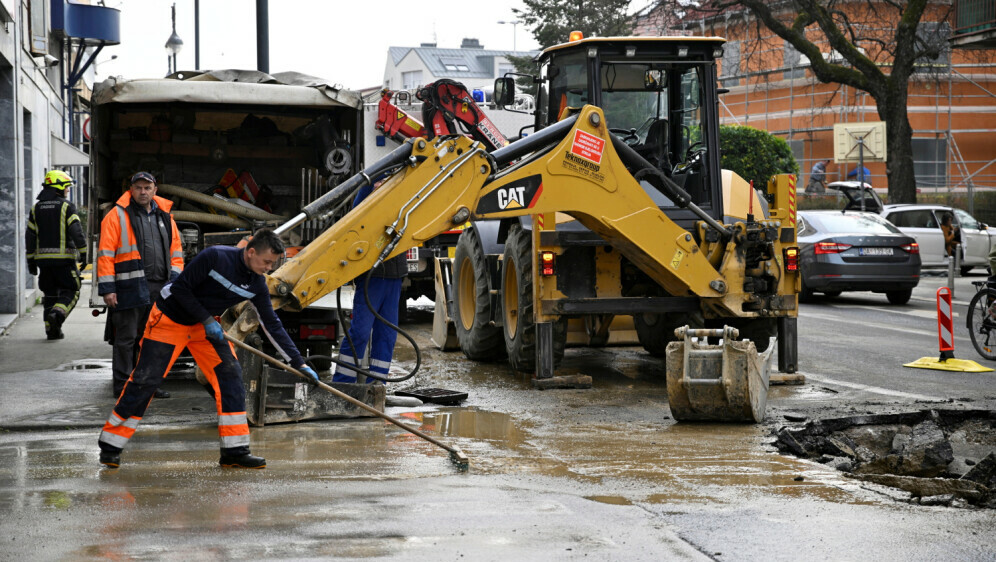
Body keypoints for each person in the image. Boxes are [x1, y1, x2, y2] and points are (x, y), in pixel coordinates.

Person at [97, 229, 320, 469]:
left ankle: (235, 451)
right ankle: (111, 446)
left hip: (204, 326)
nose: (269, 268)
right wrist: (206, 320)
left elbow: (272, 325)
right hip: (170, 319)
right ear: (251, 251)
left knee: (231, 377)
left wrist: (299, 363)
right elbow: (180, 289)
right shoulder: (215, 257)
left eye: (273, 264)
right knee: (146, 380)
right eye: (266, 261)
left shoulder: (257, 284)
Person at [98, 172, 184, 399]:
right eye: (139, 187)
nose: (143, 192)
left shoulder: (165, 216)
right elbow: (105, 254)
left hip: (159, 287)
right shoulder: (117, 215)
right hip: (128, 287)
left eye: (147, 187)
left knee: (152, 340)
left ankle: (148, 384)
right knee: (126, 339)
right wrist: (108, 289)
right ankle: (123, 386)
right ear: (131, 189)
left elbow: (176, 252)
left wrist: (174, 283)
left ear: (155, 189)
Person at [332, 180, 408, 384]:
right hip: (371, 276)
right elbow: (355, 216)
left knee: (387, 335)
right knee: (361, 331)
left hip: (394, 275)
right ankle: (342, 384)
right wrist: (373, 192)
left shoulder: (407, 184)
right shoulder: (371, 184)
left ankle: (377, 385)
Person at [25, 170, 87, 340]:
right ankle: (57, 314)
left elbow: (30, 238)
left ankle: (52, 331)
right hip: (64, 263)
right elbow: (76, 231)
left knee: (50, 296)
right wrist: (83, 253)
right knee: (73, 291)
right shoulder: (66, 206)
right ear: (59, 187)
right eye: (66, 187)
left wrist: (30, 261)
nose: (68, 190)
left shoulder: (35, 208)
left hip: (43, 264)